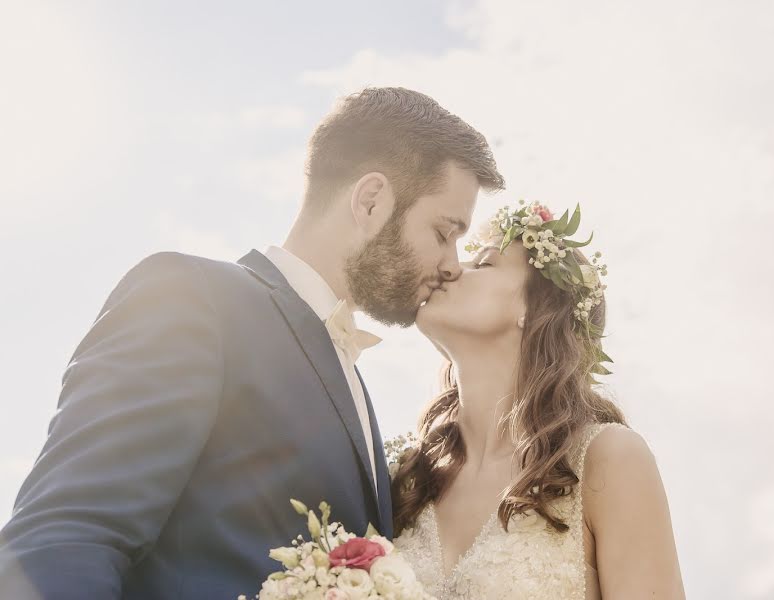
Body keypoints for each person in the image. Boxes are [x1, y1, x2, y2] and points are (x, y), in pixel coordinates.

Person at [0, 87, 504, 600]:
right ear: (371, 201)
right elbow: (64, 539)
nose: (452, 264)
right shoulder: (193, 298)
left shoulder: (351, 375)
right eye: (444, 232)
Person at [390, 202, 686, 599]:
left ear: (534, 308)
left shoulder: (606, 459)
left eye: (485, 264)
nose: (450, 268)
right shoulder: (406, 481)